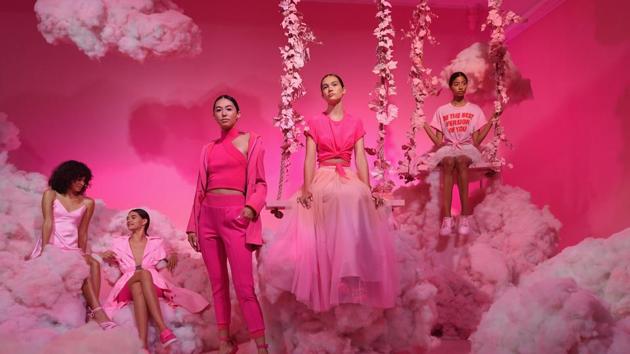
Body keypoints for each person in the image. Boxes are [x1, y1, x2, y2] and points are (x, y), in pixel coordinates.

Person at [264, 73, 398, 312]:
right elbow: (309, 158)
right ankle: (335, 278)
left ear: (344, 89)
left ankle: (354, 276)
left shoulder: (355, 122)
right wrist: (306, 188)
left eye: (334, 84)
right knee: (332, 198)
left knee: (356, 196)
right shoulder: (315, 122)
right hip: (324, 173)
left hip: (346, 173)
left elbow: (360, 158)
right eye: (325, 86)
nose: (330, 89)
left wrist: (367, 188)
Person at [186, 95, 269, 354]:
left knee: (245, 287)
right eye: (218, 110)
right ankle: (224, 342)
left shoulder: (251, 141)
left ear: (238, 113)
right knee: (218, 284)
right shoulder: (207, 149)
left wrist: (249, 209)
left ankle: (262, 347)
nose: (223, 113)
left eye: (228, 109)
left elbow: (261, 184)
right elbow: (200, 190)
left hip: (236, 218)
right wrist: (192, 225)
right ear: (214, 115)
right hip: (208, 218)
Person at [101, 209, 209, 349]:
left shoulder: (156, 242)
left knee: (138, 287)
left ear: (144, 221)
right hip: (127, 282)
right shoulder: (119, 242)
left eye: (133, 217)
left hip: (151, 283)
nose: (129, 220)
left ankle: (143, 345)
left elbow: (170, 251)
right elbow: (108, 256)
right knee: (144, 274)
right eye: (128, 218)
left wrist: (174, 255)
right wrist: (106, 255)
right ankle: (162, 328)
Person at [30, 160, 117, 329]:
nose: (82, 183)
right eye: (78, 179)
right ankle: (99, 314)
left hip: (72, 247)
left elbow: (83, 232)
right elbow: (47, 223)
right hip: (53, 245)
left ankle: (92, 311)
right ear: (67, 177)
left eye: (85, 180)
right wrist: (45, 250)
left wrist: (82, 253)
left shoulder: (88, 203)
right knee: (81, 266)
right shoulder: (51, 194)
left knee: (93, 262)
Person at [423, 71, 496, 236]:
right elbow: (438, 141)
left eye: (463, 83)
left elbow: (476, 140)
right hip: (448, 148)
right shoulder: (442, 111)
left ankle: (464, 216)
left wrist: (491, 121)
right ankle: (447, 219)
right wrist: (424, 125)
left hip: (467, 148)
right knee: (448, 162)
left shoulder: (474, 110)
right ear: (451, 87)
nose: (461, 86)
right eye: (457, 84)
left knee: (462, 161)